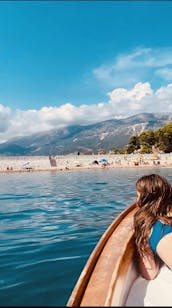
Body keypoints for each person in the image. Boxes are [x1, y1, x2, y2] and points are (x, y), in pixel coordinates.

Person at [125, 173, 172, 306]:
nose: (137, 199)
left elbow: (150, 273)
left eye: (138, 195)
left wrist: (142, 247)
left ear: (145, 198)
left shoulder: (145, 223)